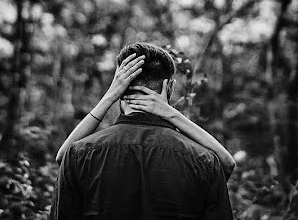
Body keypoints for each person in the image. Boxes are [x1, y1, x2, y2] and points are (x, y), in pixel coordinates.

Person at [50, 42, 235, 220]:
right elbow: (227, 163)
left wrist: (108, 98)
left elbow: (63, 158)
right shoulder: (204, 160)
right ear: (169, 86)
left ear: (118, 87)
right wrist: (171, 113)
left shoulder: (79, 154)